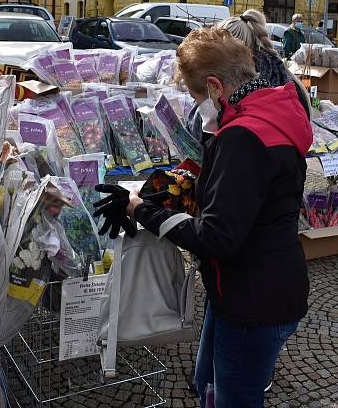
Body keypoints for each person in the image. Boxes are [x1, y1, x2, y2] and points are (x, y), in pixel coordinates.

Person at [130, 28, 311, 407]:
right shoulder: (271, 115)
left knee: (235, 398)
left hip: (251, 299)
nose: (197, 107)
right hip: (263, 286)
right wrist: (189, 185)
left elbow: (217, 237)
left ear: (214, 87)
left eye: (196, 96)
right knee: (209, 383)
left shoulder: (241, 137)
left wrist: (141, 210)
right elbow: (252, 196)